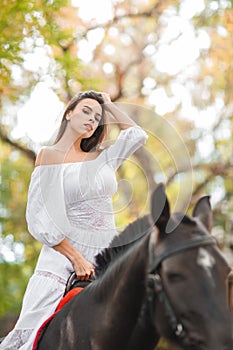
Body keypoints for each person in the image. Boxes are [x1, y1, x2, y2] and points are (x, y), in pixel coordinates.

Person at [0, 90, 148, 349]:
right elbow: (41, 218)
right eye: (86, 111)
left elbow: (137, 135)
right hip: (63, 261)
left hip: (106, 258)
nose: (92, 120)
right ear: (69, 113)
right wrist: (77, 259)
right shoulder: (50, 155)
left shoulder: (102, 157)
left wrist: (110, 106)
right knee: (31, 340)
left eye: (97, 117)